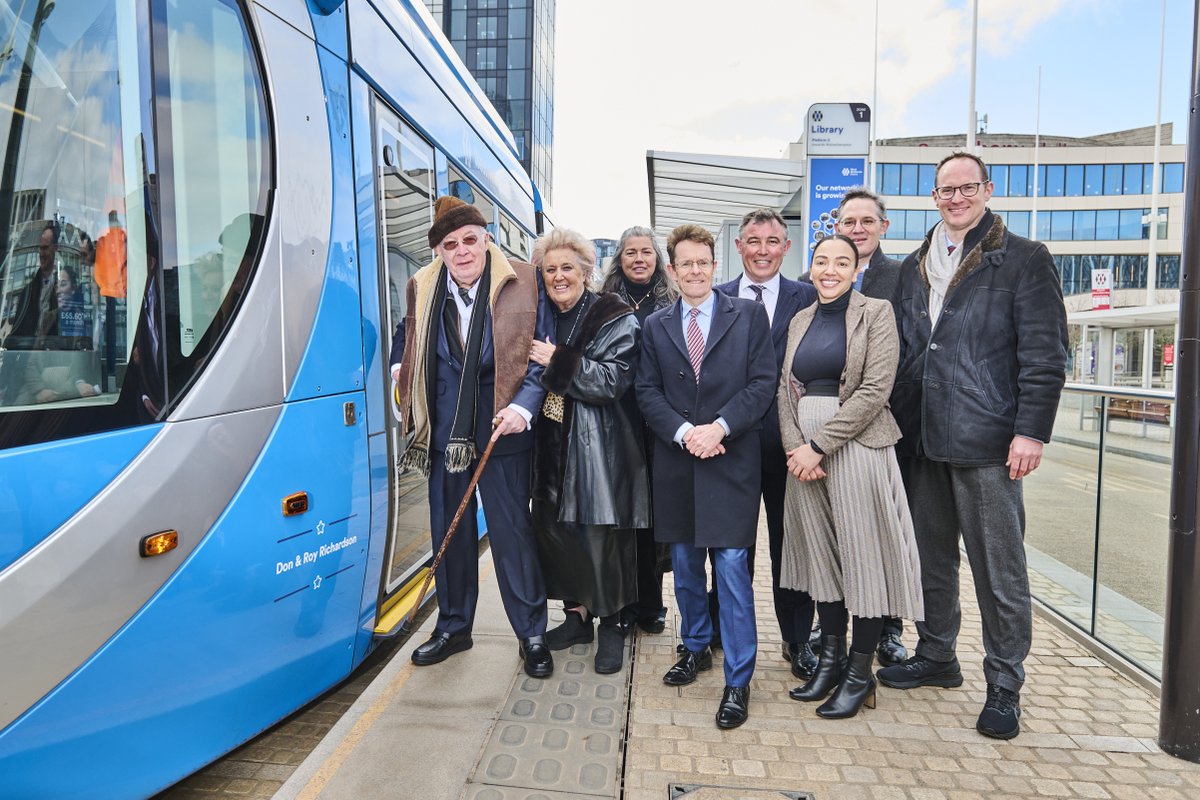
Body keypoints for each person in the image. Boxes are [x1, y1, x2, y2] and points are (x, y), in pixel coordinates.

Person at [878, 151, 1068, 740]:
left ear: (987, 189)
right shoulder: (915, 265)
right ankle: (938, 656)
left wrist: (1030, 430)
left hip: (989, 440)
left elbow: (1045, 354)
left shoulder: (1024, 260)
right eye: (945, 189)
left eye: (967, 187)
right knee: (932, 559)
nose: (956, 197)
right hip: (925, 437)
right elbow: (909, 351)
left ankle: (1005, 683)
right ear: (933, 197)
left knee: (999, 570)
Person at [392, 195, 555, 678]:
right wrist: (402, 366)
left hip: (504, 422)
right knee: (450, 529)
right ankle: (454, 626)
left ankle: (532, 633)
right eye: (450, 244)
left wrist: (524, 409)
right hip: (445, 427)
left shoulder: (525, 279)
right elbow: (410, 335)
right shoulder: (420, 285)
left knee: (511, 532)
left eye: (469, 239)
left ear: (486, 238)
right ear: (438, 251)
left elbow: (541, 354)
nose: (462, 251)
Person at [776, 234, 923, 719]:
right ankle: (831, 662)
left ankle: (860, 676)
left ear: (857, 268)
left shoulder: (876, 313)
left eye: (842, 262)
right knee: (823, 557)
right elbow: (784, 389)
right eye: (821, 262)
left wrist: (819, 444)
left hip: (857, 446)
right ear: (812, 268)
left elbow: (877, 388)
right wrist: (796, 447)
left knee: (865, 560)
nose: (830, 270)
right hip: (804, 455)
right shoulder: (800, 319)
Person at [636, 223, 775, 730]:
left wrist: (717, 428)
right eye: (684, 264)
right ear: (671, 271)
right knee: (686, 567)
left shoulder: (750, 316)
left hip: (731, 460)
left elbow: (763, 384)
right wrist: (681, 432)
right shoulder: (656, 324)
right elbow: (646, 390)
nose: (694, 271)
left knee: (734, 570)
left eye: (703, 262)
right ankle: (695, 646)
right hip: (678, 462)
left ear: (715, 266)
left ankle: (738, 678)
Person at [528, 228, 650, 674]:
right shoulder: (538, 315)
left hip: (599, 445)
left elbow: (613, 380)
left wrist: (554, 359)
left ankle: (613, 625)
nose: (559, 277)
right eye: (550, 270)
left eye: (567, 268)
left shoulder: (614, 315)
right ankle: (576, 617)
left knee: (601, 538)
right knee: (557, 533)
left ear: (586, 271)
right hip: (550, 445)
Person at [714, 208, 819, 681]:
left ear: (786, 247)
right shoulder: (715, 299)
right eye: (753, 241)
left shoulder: (811, 298)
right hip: (731, 443)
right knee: (730, 544)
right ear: (739, 246)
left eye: (772, 241)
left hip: (791, 446)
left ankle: (797, 640)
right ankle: (722, 631)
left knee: (790, 544)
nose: (762, 250)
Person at [832, 187, 908, 668]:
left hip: (882, 423)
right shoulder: (817, 275)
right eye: (848, 222)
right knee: (841, 530)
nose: (857, 229)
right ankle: (835, 625)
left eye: (866, 221)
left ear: (883, 225)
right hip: (829, 433)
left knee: (885, 533)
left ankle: (889, 629)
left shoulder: (902, 277)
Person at [600, 226, 677, 635]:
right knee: (623, 517)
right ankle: (623, 603)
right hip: (616, 418)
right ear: (620, 259)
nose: (638, 259)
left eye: (646, 251)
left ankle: (651, 602)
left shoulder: (672, 300)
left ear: (657, 259)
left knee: (654, 519)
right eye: (630, 252)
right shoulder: (604, 300)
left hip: (658, 421)